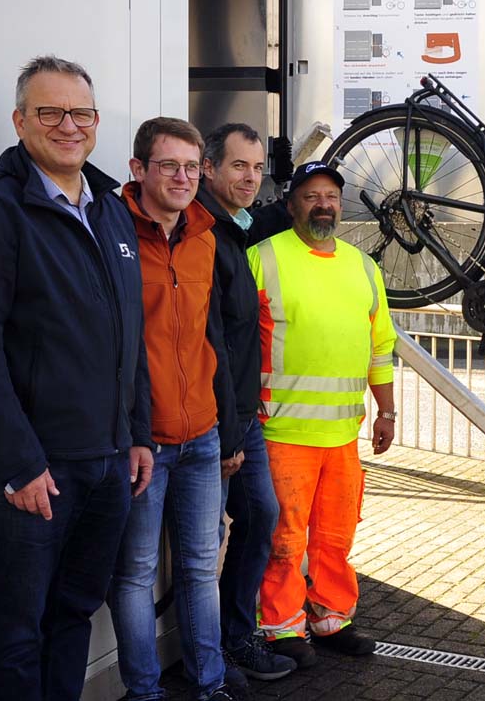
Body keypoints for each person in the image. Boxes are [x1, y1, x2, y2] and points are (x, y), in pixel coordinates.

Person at [0, 55, 152, 701]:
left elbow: (128, 334)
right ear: (20, 120)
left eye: (80, 113)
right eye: (50, 112)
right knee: (17, 631)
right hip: (36, 472)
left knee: (72, 616)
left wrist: (137, 433)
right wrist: (19, 463)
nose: (68, 126)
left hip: (108, 463)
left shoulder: (111, 208)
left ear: (94, 122)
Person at [109, 117, 243, 701]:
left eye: (191, 167)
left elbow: (213, 335)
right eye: (169, 165)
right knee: (135, 576)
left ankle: (208, 685)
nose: (183, 177)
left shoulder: (205, 236)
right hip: (144, 439)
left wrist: (226, 425)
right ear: (139, 170)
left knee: (198, 569)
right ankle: (144, 693)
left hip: (203, 435)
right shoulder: (108, 231)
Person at [249, 161, 397, 668]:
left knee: (335, 535)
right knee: (286, 539)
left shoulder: (363, 267)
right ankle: (280, 627)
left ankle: (331, 618)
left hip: (343, 435)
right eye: (311, 196)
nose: (323, 204)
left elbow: (381, 346)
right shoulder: (261, 258)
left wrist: (388, 412)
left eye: (331, 196)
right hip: (282, 431)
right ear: (292, 205)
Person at [196, 123, 296, 681]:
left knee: (260, 515)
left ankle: (236, 637)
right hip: (215, 420)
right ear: (208, 168)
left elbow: (269, 214)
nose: (250, 178)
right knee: (199, 549)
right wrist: (228, 431)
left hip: (240, 412)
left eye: (257, 169)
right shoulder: (202, 234)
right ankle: (208, 656)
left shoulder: (234, 227)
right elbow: (209, 340)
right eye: (239, 166)